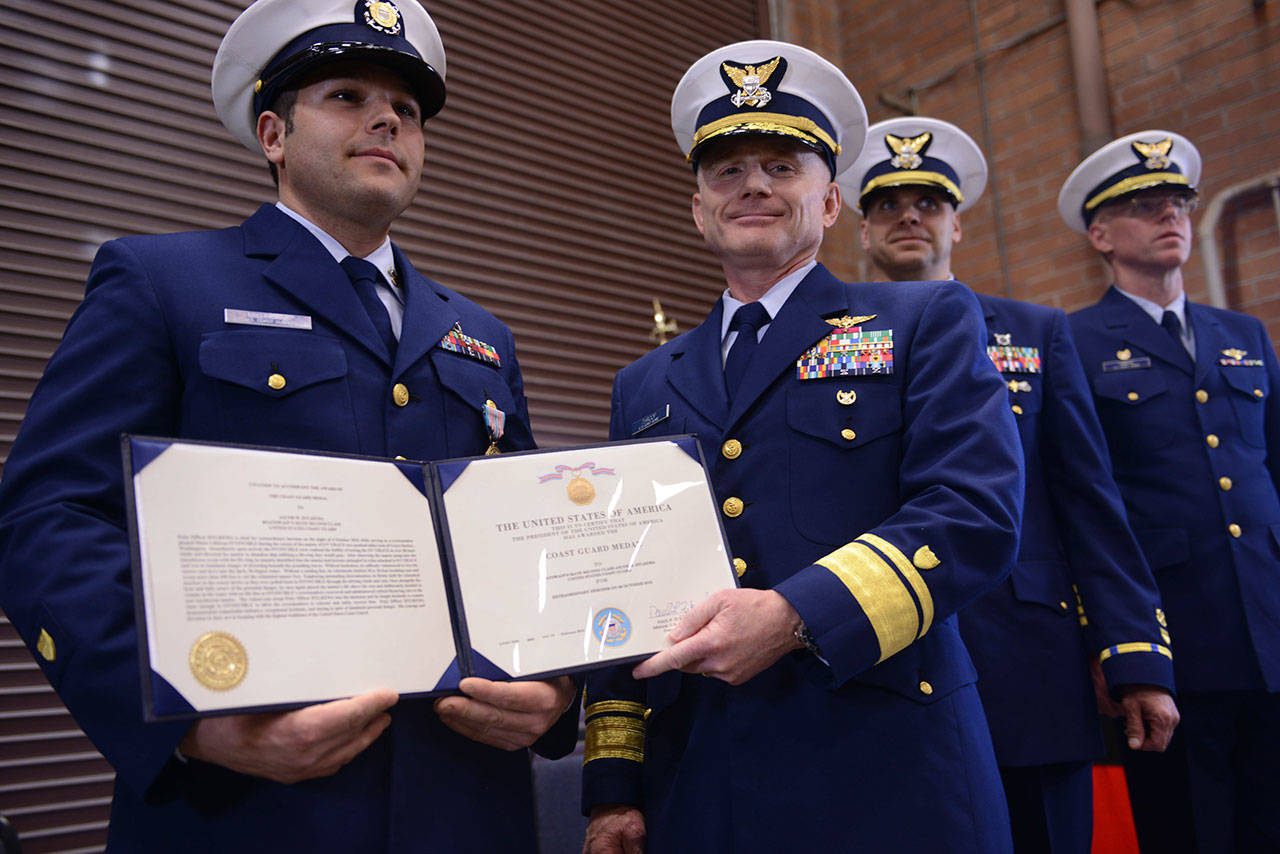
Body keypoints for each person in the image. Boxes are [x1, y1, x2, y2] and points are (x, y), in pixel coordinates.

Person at [0, 0, 578, 850]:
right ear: (272, 133)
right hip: (251, 807)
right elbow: (50, 520)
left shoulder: (481, 335)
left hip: (466, 802)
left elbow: (523, 543)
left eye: (408, 110)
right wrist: (189, 727)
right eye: (346, 95)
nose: (386, 118)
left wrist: (558, 688)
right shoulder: (163, 282)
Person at [579, 41, 1024, 853]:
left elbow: (974, 514)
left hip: (886, 767)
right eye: (727, 171)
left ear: (828, 205)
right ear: (698, 208)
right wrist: (612, 788)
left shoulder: (924, 321)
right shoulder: (642, 384)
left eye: (782, 166)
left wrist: (794, 616)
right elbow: (621, 576)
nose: (753, 184)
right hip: (702, 778)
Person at [842, 117, 1178, 853]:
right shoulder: (830, 343)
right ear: (861, 229)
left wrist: (1134, 654)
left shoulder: (1036, 334)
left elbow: (1090, 501)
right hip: (884, 659)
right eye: (889, 205)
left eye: (928, 204)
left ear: (957, 225)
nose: (909, 217)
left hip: (1029, 661)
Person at [1062, 130, 1280, 851]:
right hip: (1173, 640)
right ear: (1100, 233)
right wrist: (1111, 647)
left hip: (1269, 626)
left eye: (1179, 203)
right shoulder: (1076, 342)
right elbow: (1082, 501)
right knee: (1190, 832)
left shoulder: (1241, 334)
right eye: (1147, 205)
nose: (1172, 217)